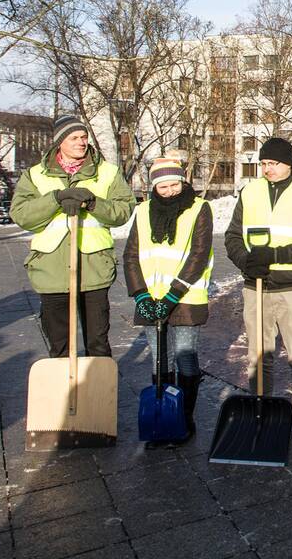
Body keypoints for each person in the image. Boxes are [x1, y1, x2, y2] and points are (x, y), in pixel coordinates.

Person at [224, 137, 292, 447]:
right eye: (264, 163)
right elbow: (233, 236)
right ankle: (261, 409)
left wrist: (273, 255)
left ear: (288, 164)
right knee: (259, 355)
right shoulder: (251, 191)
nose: (267, 169)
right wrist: (248, 262)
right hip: (256, 286)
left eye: (273, 163)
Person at [9, 115, 135, 358]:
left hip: (94, 268)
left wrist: (93, 202)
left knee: (97, 343)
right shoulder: (35, 175)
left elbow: (123, 211)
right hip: (51, 269)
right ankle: (64, 393)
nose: (81, 142)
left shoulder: (107, 173)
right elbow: (22, 214)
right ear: (59, 142)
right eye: (74, 137)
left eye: (84, 137)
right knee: (59, 346)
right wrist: (55, 199)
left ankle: (96, 393)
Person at [123, 157, 213, 448]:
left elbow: (199, 254)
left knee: (185, 356)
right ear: (154, 186)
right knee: (160, 358)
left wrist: (174, 294)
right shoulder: (143, 211)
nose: (170, 190)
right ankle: (164, 418)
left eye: (175, 184)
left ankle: (184, 419)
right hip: (150, 298)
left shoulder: (199, 208)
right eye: (163, 186)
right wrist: (141, 295)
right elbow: (131, 255)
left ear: (183, 182)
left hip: (185, 297)